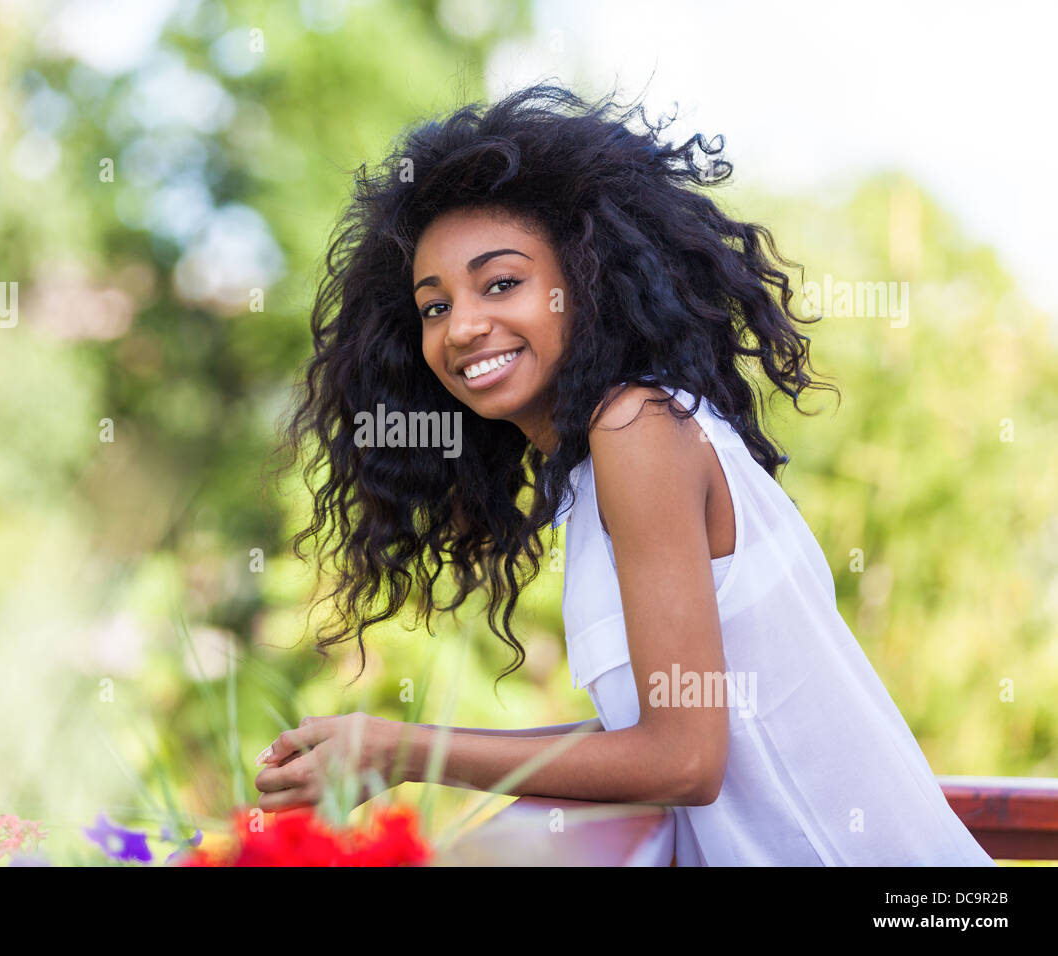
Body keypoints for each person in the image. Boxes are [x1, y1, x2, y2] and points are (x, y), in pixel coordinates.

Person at [258, 83, 995, 865]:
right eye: (433, 306)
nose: (463, 325)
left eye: (500, 283)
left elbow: (683, 760)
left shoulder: (636, 428)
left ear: (585, 277)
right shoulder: (601, 460)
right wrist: (395, 753)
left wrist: (403, 750)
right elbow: (663, 731)